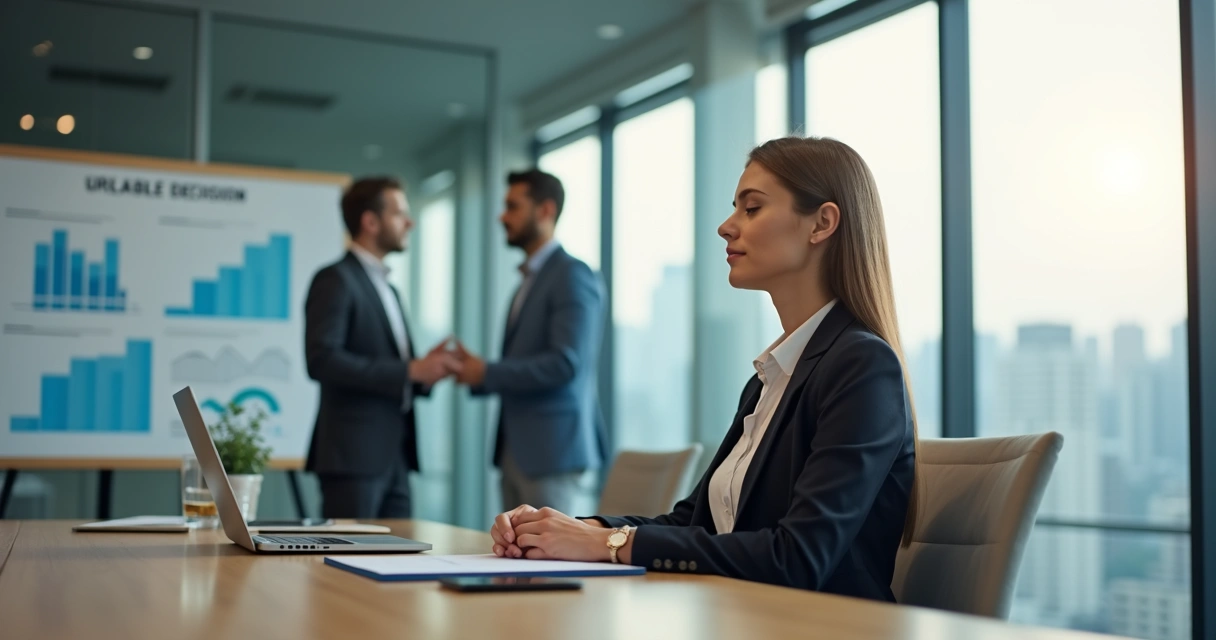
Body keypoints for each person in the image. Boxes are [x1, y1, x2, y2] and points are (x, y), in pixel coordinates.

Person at [487, 137, 919, 603]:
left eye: (751, 209)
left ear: (822, 223)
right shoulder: (769, 378)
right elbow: (692, 523)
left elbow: (798, 556)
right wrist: (570, 529)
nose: (726, 227)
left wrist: (606, 545)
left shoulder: (862, 366)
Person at [304, 176, 461, 519]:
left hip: (397, 458)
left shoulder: (389, 290)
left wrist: (424, 374)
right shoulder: (335, 279)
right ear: (370, 221)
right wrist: (409, 369)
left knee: (398, 564)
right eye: (400, 213)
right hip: (353, 459)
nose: (410, 222)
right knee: (347, 570)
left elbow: (392, 370)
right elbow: (322, 360)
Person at [454, 170, 607, 516]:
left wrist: (487, 372)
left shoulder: (572, 274)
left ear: (545, 210)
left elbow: (565, 364)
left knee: (546, 565)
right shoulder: (529, 281)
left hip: (551, 451)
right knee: (515, 562)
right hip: (517, 449)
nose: (502, 216)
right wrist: (479, 373)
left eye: (512, 206)